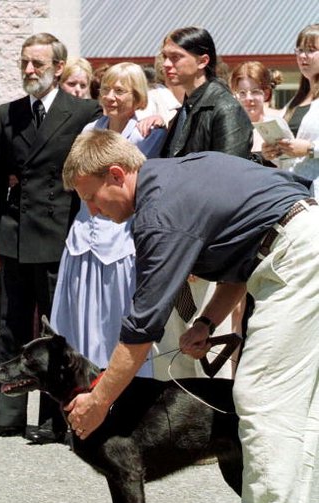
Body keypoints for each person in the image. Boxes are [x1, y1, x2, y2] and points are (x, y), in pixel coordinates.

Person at [61, 129, 319, 503]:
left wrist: (99, 400)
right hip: (291, 243)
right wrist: (205, 323)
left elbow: (142, 326)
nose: (92, 211)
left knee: (263, 400)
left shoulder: (158, 214)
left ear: (117, 175)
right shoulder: (169, 178)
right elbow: (245, 249)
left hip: (296, 253)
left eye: (92, 198)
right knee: (270, 399)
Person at [0, 33, 101, 441]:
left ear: (59, 68)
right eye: (24, 62)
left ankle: (54, 419)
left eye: (37, 64)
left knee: (55, 333)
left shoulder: (83, 112)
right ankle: (7, 413)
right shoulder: (8, 114)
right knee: (9, 326)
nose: (29, 70)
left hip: (59, 235)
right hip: (13, 234)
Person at [51, 62, 166, 373]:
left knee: (114, 316)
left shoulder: (149, 131)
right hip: (82, 237)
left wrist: (159, 118)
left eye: (120, 90)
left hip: (120, 237)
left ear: (138, 95)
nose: (110, 97)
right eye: (106, 89)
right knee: (77, 319)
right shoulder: (90, 129)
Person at [154, 26, 253, 379]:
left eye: (175, 57)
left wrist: (202, 249)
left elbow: (229, 187)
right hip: (180, 252)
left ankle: (220, 434)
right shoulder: (185, 109)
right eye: (165, 57)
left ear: (202, 61)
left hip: (208, 255)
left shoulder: (225, 108)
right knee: (175, 359)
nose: (166, 64)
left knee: (209, 361)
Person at [262, 23, 319, 199]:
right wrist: (273, 153)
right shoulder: (295, 102)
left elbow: (305, 150)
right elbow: (292, 157)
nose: (303, 56)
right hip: (296, 196)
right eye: (299, 50)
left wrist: (310, 149)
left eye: (311, 50)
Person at [230, 61, 283, 158]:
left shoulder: (279, 122)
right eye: (242, 93)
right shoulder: (229, 127)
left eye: (255, 92)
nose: (248, 98)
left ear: (266, 93)